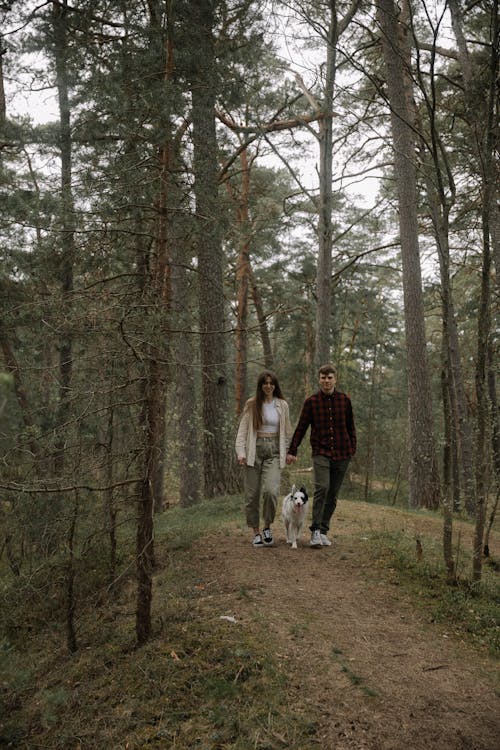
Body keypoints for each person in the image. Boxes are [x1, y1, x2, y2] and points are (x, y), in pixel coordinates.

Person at [286, 363, 356, 548]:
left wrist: (352, 449)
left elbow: (351, 427)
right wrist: (293, 450)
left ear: (335, 379)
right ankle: (315, 531)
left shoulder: (344, 400)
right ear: (319, 379)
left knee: (332, 495)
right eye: (323, 377)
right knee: (322, 489)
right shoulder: (311, 402)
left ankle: (324, 530)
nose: (326, 380)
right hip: (321, 452)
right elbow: (301, 427)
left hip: (342, 453)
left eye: (330, 377)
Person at [236, 371, 293, 547]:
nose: (268, 386)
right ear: (261, 385)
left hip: (274, 451)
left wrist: (290, 451)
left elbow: (287, 431)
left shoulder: (282, 405)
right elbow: (243, 430)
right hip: (254, 450)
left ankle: (267, 526)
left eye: (271, 383)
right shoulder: (252, 404)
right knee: (252, 495)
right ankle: (255, 531)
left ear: (275, 385)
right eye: (265, 383)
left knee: (271, 491)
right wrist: (241, 452)